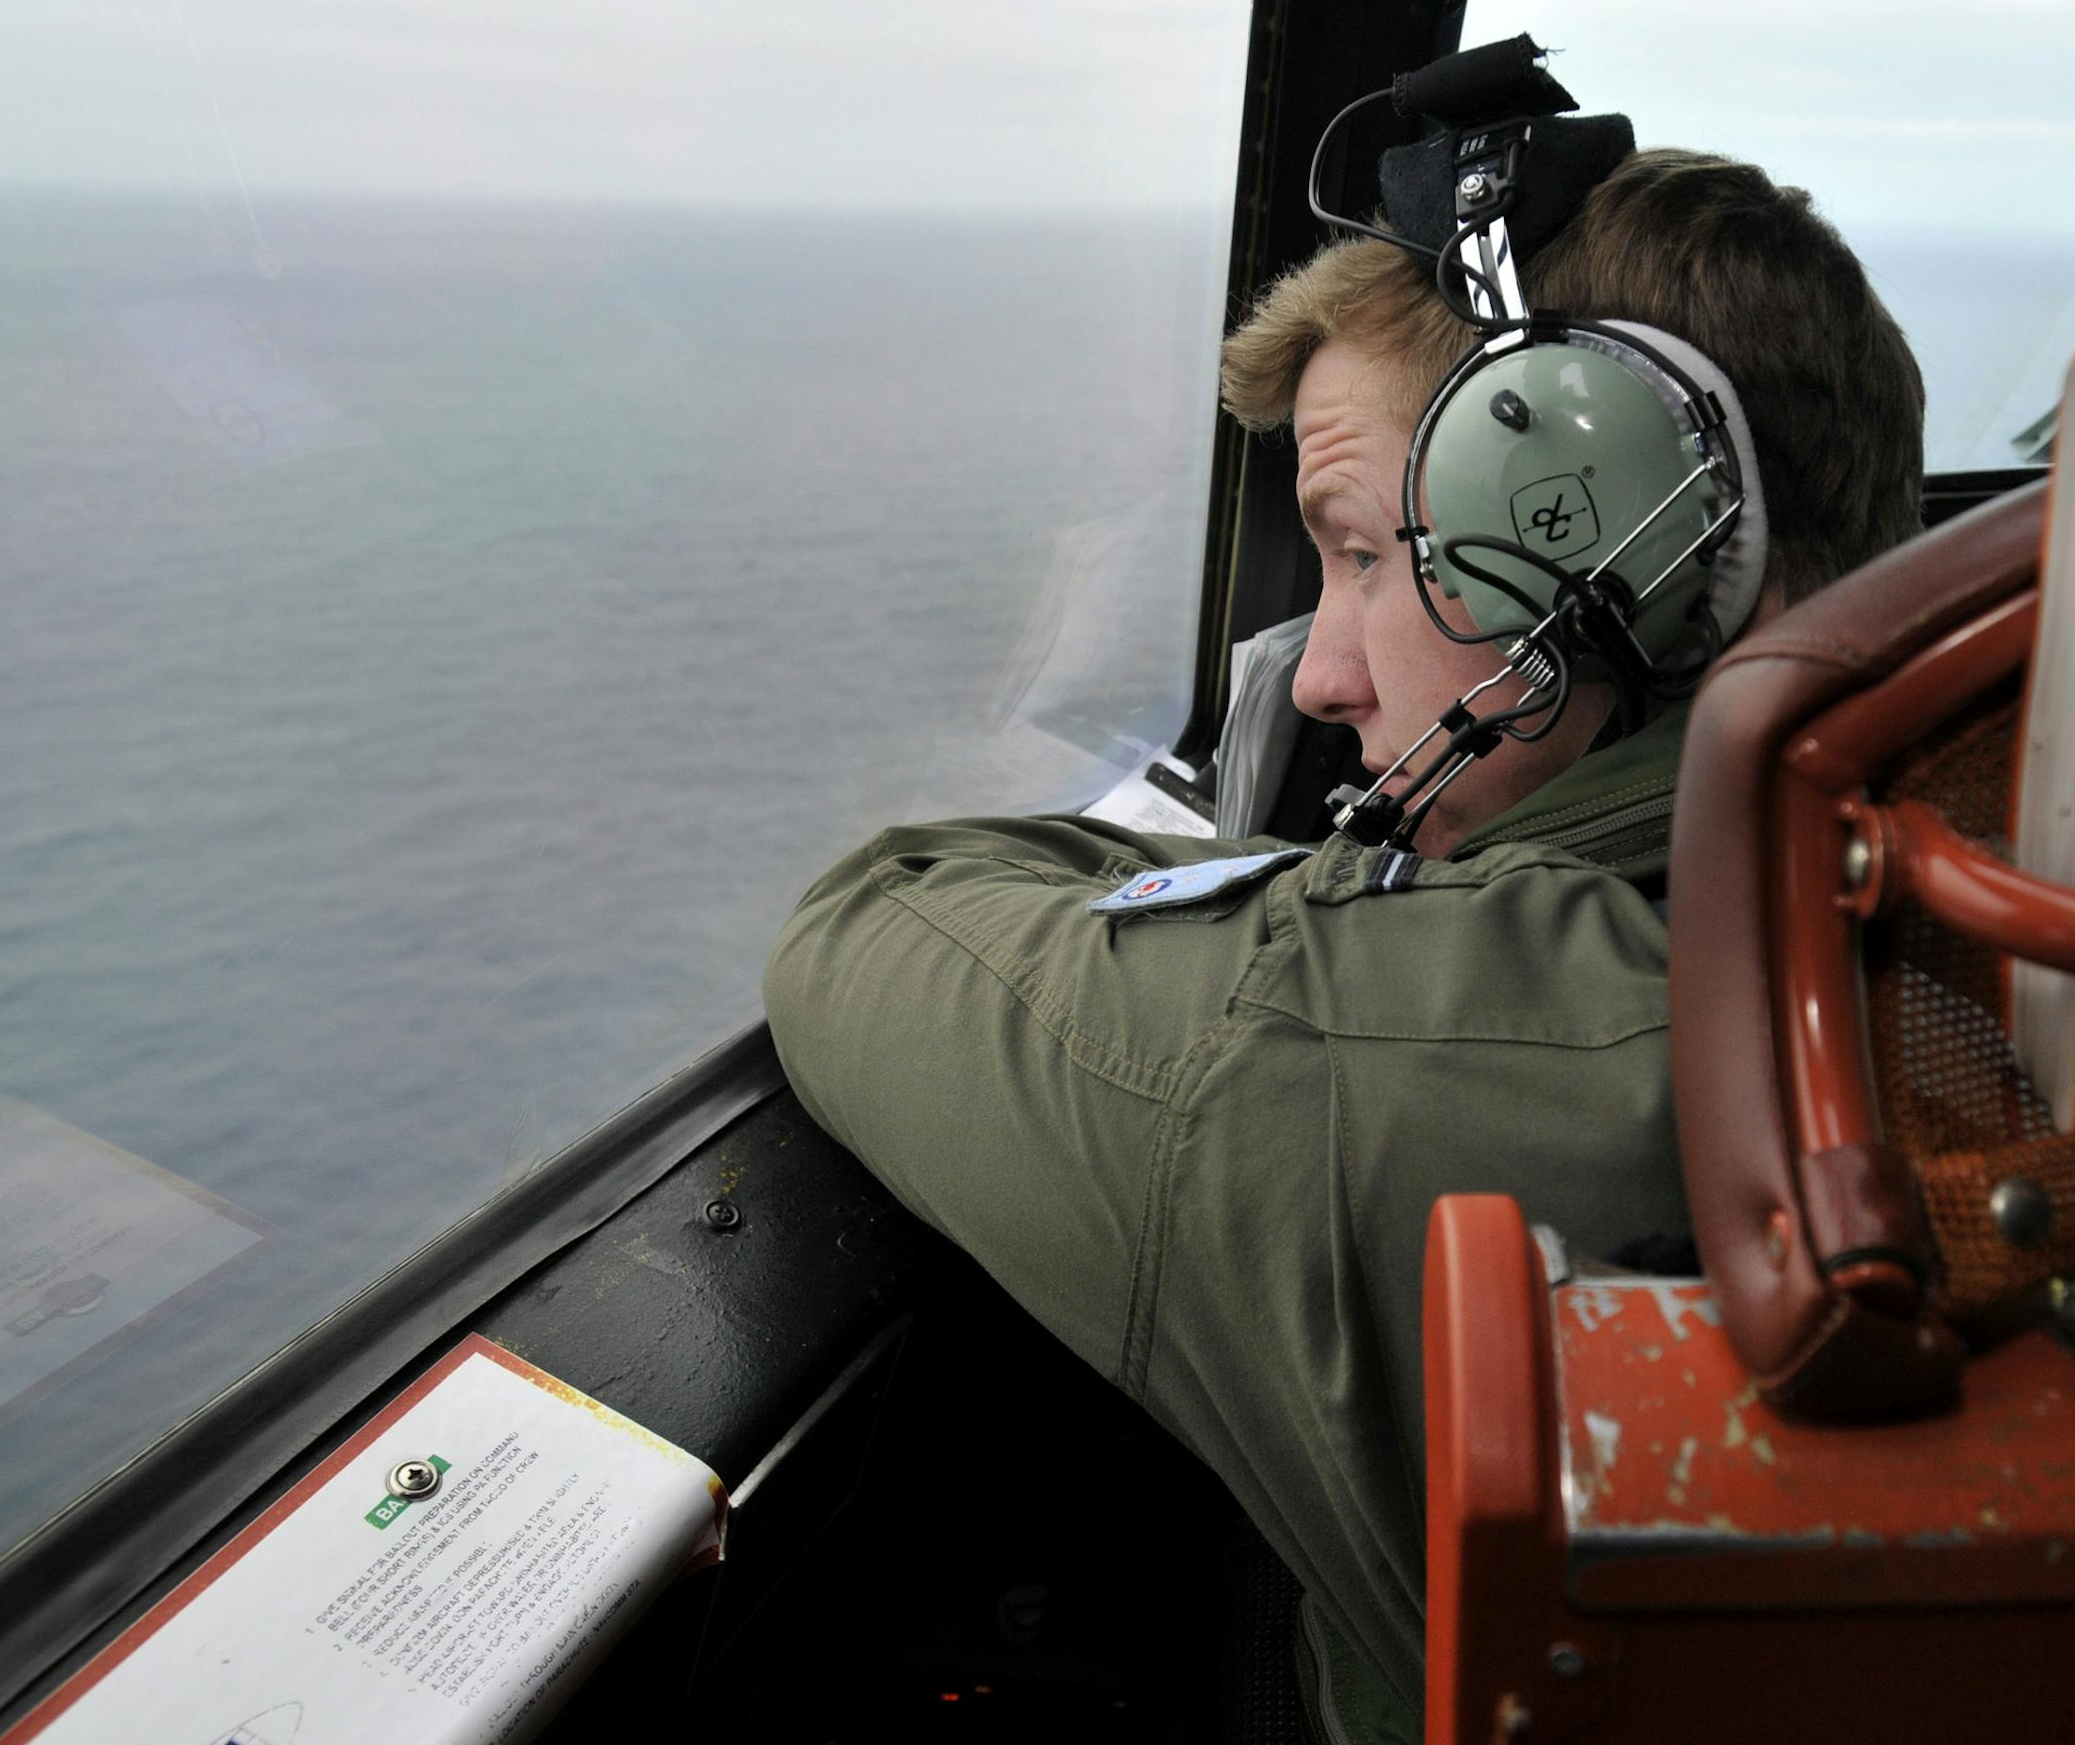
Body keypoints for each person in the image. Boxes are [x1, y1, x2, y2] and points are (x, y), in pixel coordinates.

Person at [762, 145, 1925, 1740]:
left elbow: (865, 923)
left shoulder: (1407, 1050)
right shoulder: (1935, 903)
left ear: (1605, 547)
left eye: (1365, 548)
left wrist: (1291, 913)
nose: (1317, 676)